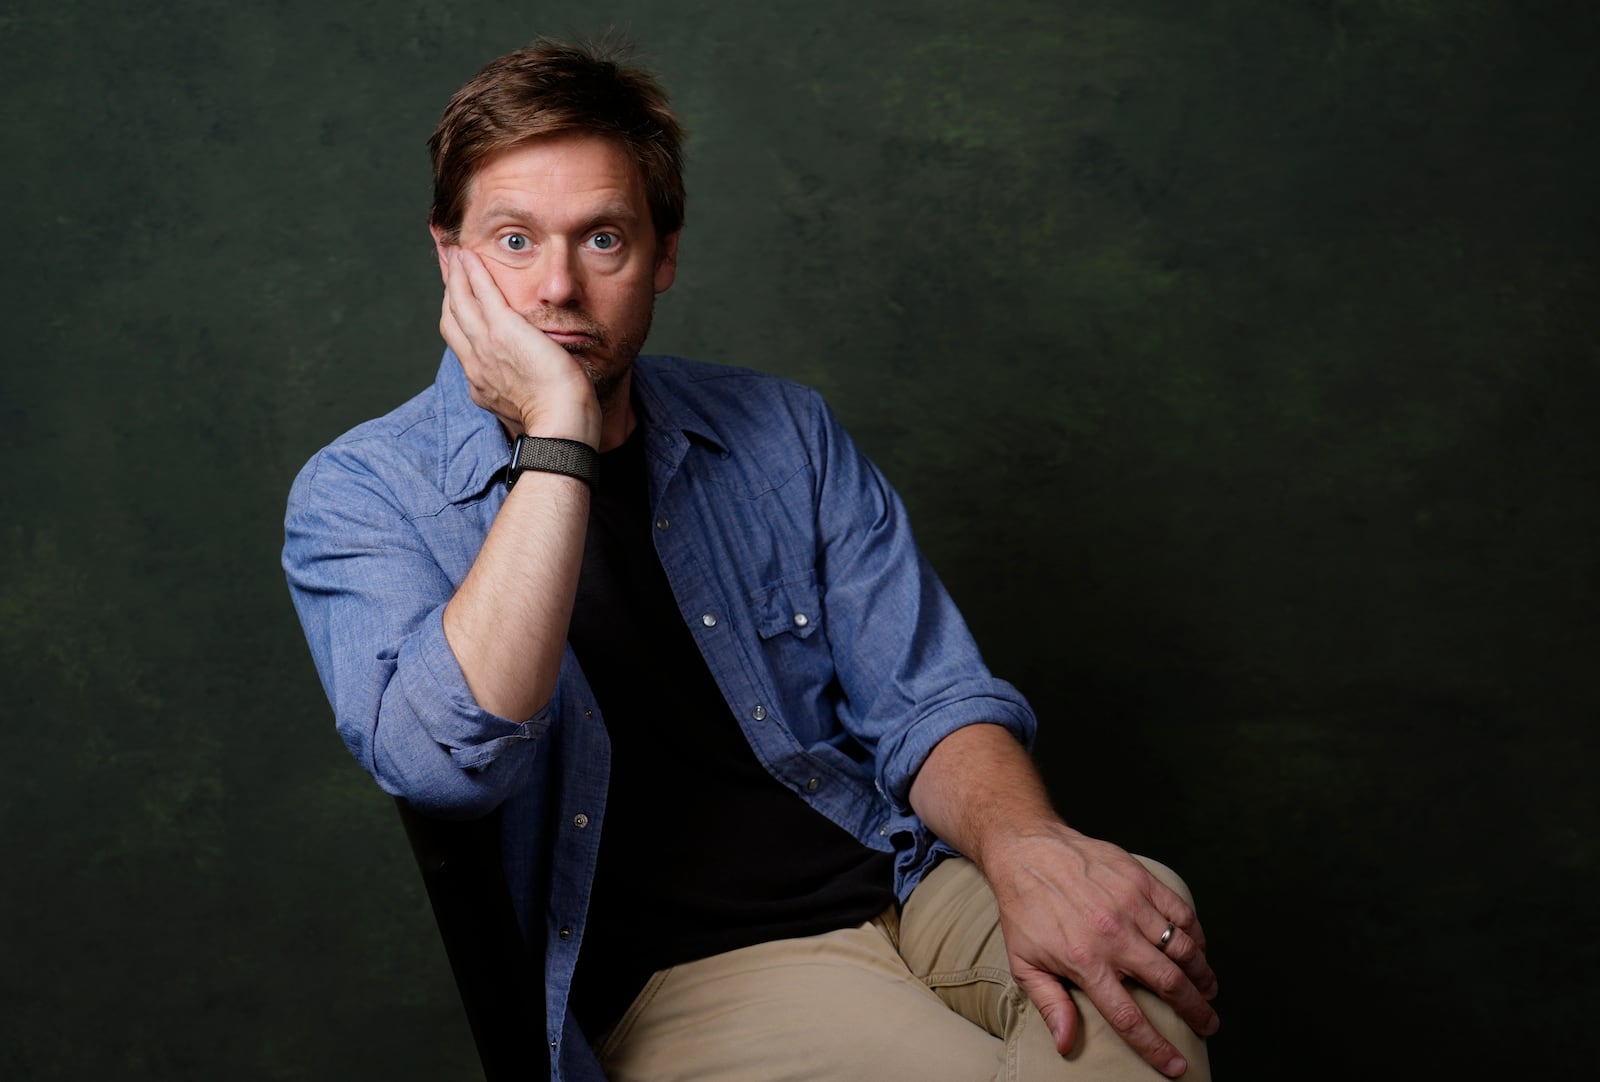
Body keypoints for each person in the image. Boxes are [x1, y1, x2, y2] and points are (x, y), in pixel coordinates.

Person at [282, 38, 1219, 1082]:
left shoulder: (782, 431)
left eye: (602, 239)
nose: (556, 286)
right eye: (512, 239)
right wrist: (557, 431)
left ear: (664, 256)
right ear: (448, 256)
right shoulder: (360, 493)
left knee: (1139, 919)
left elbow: (931, 699)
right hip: (695, 975)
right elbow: (444, 762)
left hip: (904, 880)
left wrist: (1030, 846)